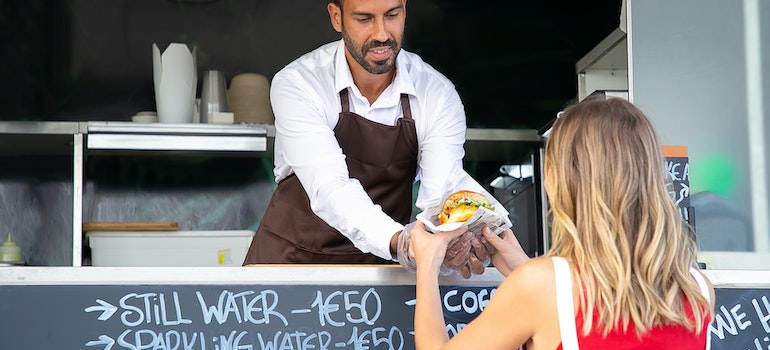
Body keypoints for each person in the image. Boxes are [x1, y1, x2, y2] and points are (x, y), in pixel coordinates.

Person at [410, 97, 715, 349]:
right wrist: (526, 267)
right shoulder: (698, 288)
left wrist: (426, 263)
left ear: (560, 181)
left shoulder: (538, 287)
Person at [243, 0, 489, 275]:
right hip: (289, 266)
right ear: (337, 18)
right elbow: (329, 186)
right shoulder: (300, 83)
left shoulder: (437, 94)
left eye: (392, 15)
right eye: (364, 19)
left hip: (381, 274)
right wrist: (401, 242)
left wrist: (450, 244)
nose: (382, 34)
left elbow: (440, 194)